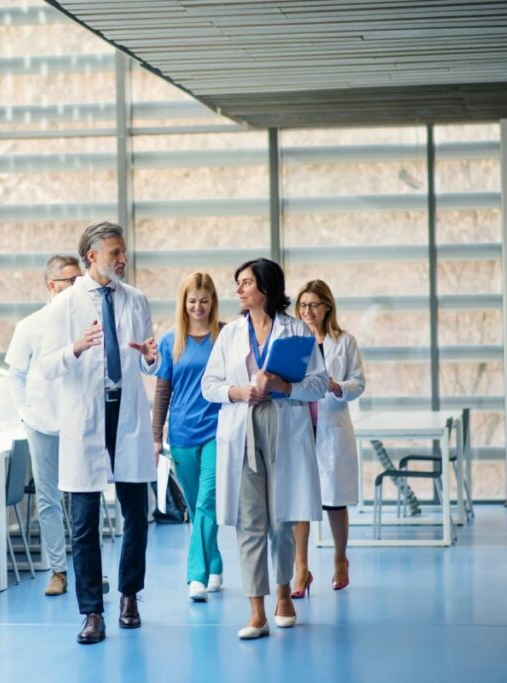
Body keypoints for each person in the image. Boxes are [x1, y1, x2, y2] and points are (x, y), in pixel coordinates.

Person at [37, 221, 160, 645]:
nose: (122, 259)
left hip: (125, 418)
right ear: (92, 256)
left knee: (137, 518)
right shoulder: (65, 305)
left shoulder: (136, 300)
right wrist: (75, 347)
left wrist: (149, 357)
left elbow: (149, 363)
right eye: (114, 253)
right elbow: (46, 366)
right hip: (85, 420)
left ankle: (129, 596)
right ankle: (91, 611)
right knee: (84, 524)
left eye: (123, 252)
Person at [202, 258, 328, 640]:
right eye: (238, 283)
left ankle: (283, 595)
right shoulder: (229, 334)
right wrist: (238, 392)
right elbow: (210, 385)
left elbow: (319, 385)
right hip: (243, 425)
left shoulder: (295, 332)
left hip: (283, 423)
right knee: (249, 521)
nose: (238, 290)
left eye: (245, 283)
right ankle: (256, 611)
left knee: (281, 520)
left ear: (266, 289)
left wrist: (285, 388)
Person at [4, 254, 83, 597]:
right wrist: (25, 413)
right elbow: (15, 374)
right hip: (41, 423)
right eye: (73, 281)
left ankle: (87, 568)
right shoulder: (30, 326)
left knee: (83, 498)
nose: (81, 287)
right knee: (49, 500)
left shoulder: (86, 322)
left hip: (78, 422)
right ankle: (58, 571)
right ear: (53, 286)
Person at [152, 273, 225, 602]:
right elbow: (162, 390)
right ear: (184, 303)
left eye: (204, 301)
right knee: (198, 510)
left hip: (218, 431)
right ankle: (215, 563)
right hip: (181, 434)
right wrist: (156, 436)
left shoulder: (225, 335)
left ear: (213, 302)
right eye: (192, 301)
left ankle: (195, 576)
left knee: (207, 501)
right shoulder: (171, 340)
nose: (198, 307)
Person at [291, 280, 365, 596]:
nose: (308, 311)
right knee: (301, 502)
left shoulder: (344, 342)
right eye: (303, 305)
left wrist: (339, 388)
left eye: (314, 305)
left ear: (327, 307)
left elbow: (358, 383)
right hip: (300, 427)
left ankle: (339, 560)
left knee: (334, 502)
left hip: (331, 425)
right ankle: (300, 571)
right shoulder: (292, 342)